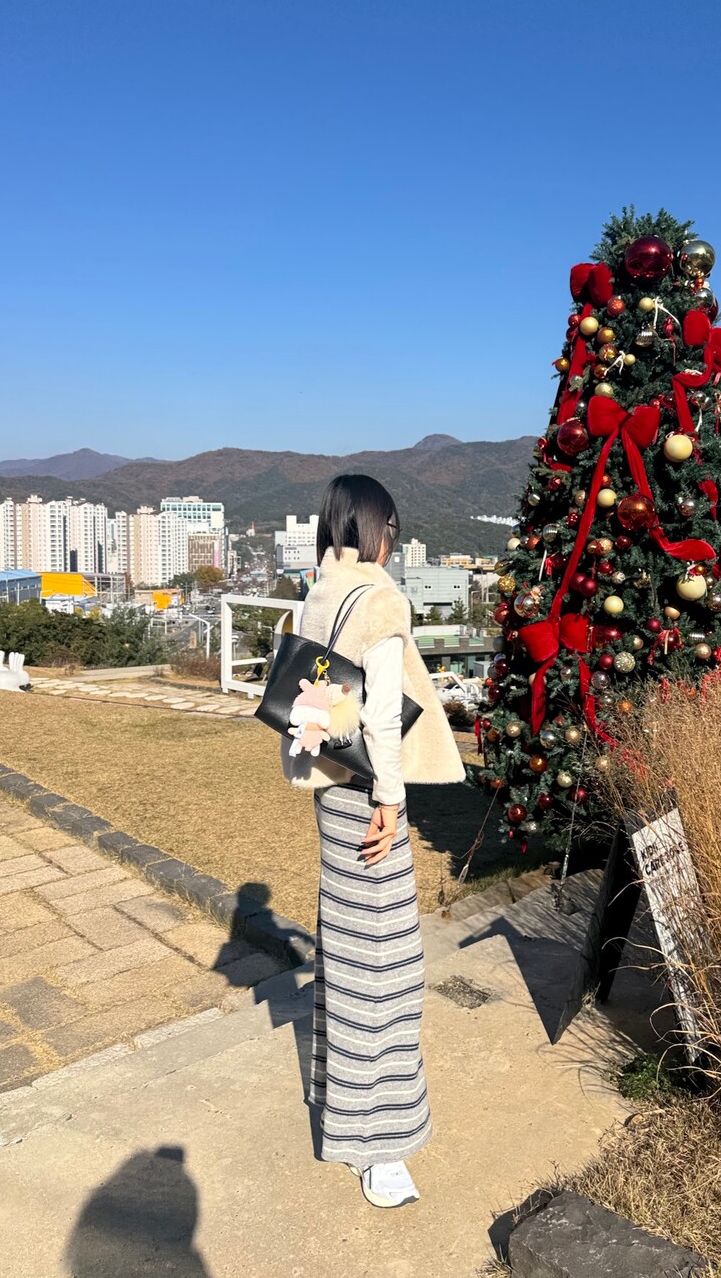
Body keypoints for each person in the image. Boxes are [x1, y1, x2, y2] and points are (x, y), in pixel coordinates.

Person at [282, 474, 465, 1208]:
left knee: (349, 952)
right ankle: (378, 1144)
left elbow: (316, 695)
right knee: (384, 968)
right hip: (367, 797)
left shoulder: (320, 592)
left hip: (331, 793)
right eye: (391, 527)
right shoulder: (379, 598)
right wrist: (392, 798)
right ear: (373, 528)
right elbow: (382, 715)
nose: (392, 540)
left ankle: (341, 1101)